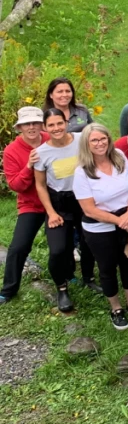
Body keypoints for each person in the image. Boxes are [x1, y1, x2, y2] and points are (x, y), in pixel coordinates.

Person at [72, 122, 128, 327]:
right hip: (100, 227)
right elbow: (89, 209)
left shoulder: (119, 156)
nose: (100, 143)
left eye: (103, 138)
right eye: (94, 140)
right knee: (107, 267)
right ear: (87, 144)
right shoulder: (82, 172)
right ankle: (115, 307)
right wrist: (120, 221)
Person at [34, 109, 91, 312]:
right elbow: (40, 185)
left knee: (89, 240)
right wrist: (50, 212)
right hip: (59, 204)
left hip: (83, 200)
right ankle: (62, 287)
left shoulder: (80, 139)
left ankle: (88, 277)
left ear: (66, 122)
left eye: (59, 123)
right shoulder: (41, 153)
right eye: (51, 125)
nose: (56, 128)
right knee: (58, 249)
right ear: (45, 127)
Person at [0, 108, 47, 305]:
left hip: (57, 201)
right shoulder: (12, 150)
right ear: (19, 127)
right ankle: (8, 289)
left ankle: (69, 276)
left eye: (36, 122)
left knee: (64, 241)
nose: (32, 127)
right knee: (18, 246)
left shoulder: (51, 139)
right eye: (27, 124)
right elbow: (16, 185)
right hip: (31, 205)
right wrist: (28, 166)